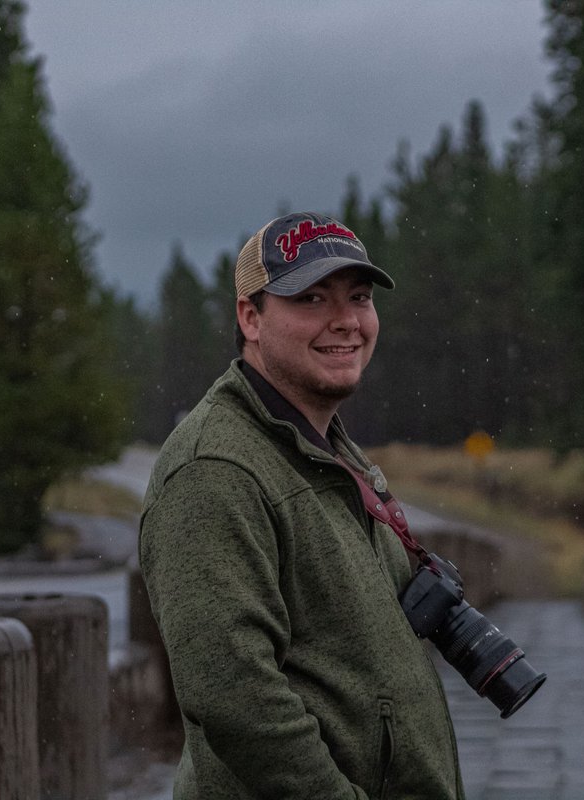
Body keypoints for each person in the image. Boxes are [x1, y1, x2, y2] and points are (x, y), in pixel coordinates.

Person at [139, 211, 464, 799]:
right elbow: (234, 695)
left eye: (358, 297)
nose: (345, 321)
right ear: (250, 318)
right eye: (311, 298)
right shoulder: (214, 470)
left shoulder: (326, 446)